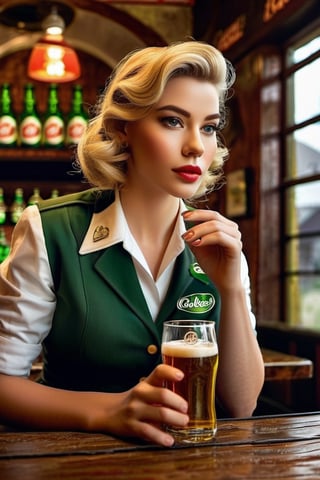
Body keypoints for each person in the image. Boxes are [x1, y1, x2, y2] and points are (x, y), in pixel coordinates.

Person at [0, 41, 264, 447]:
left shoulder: (221, 241)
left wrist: (229, 286)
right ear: (123, 127)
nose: (196, 144)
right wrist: (106, 412)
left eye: (209, 127)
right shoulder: (50, 230)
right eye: (173, 121)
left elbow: (242, 404)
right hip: (71, 466)